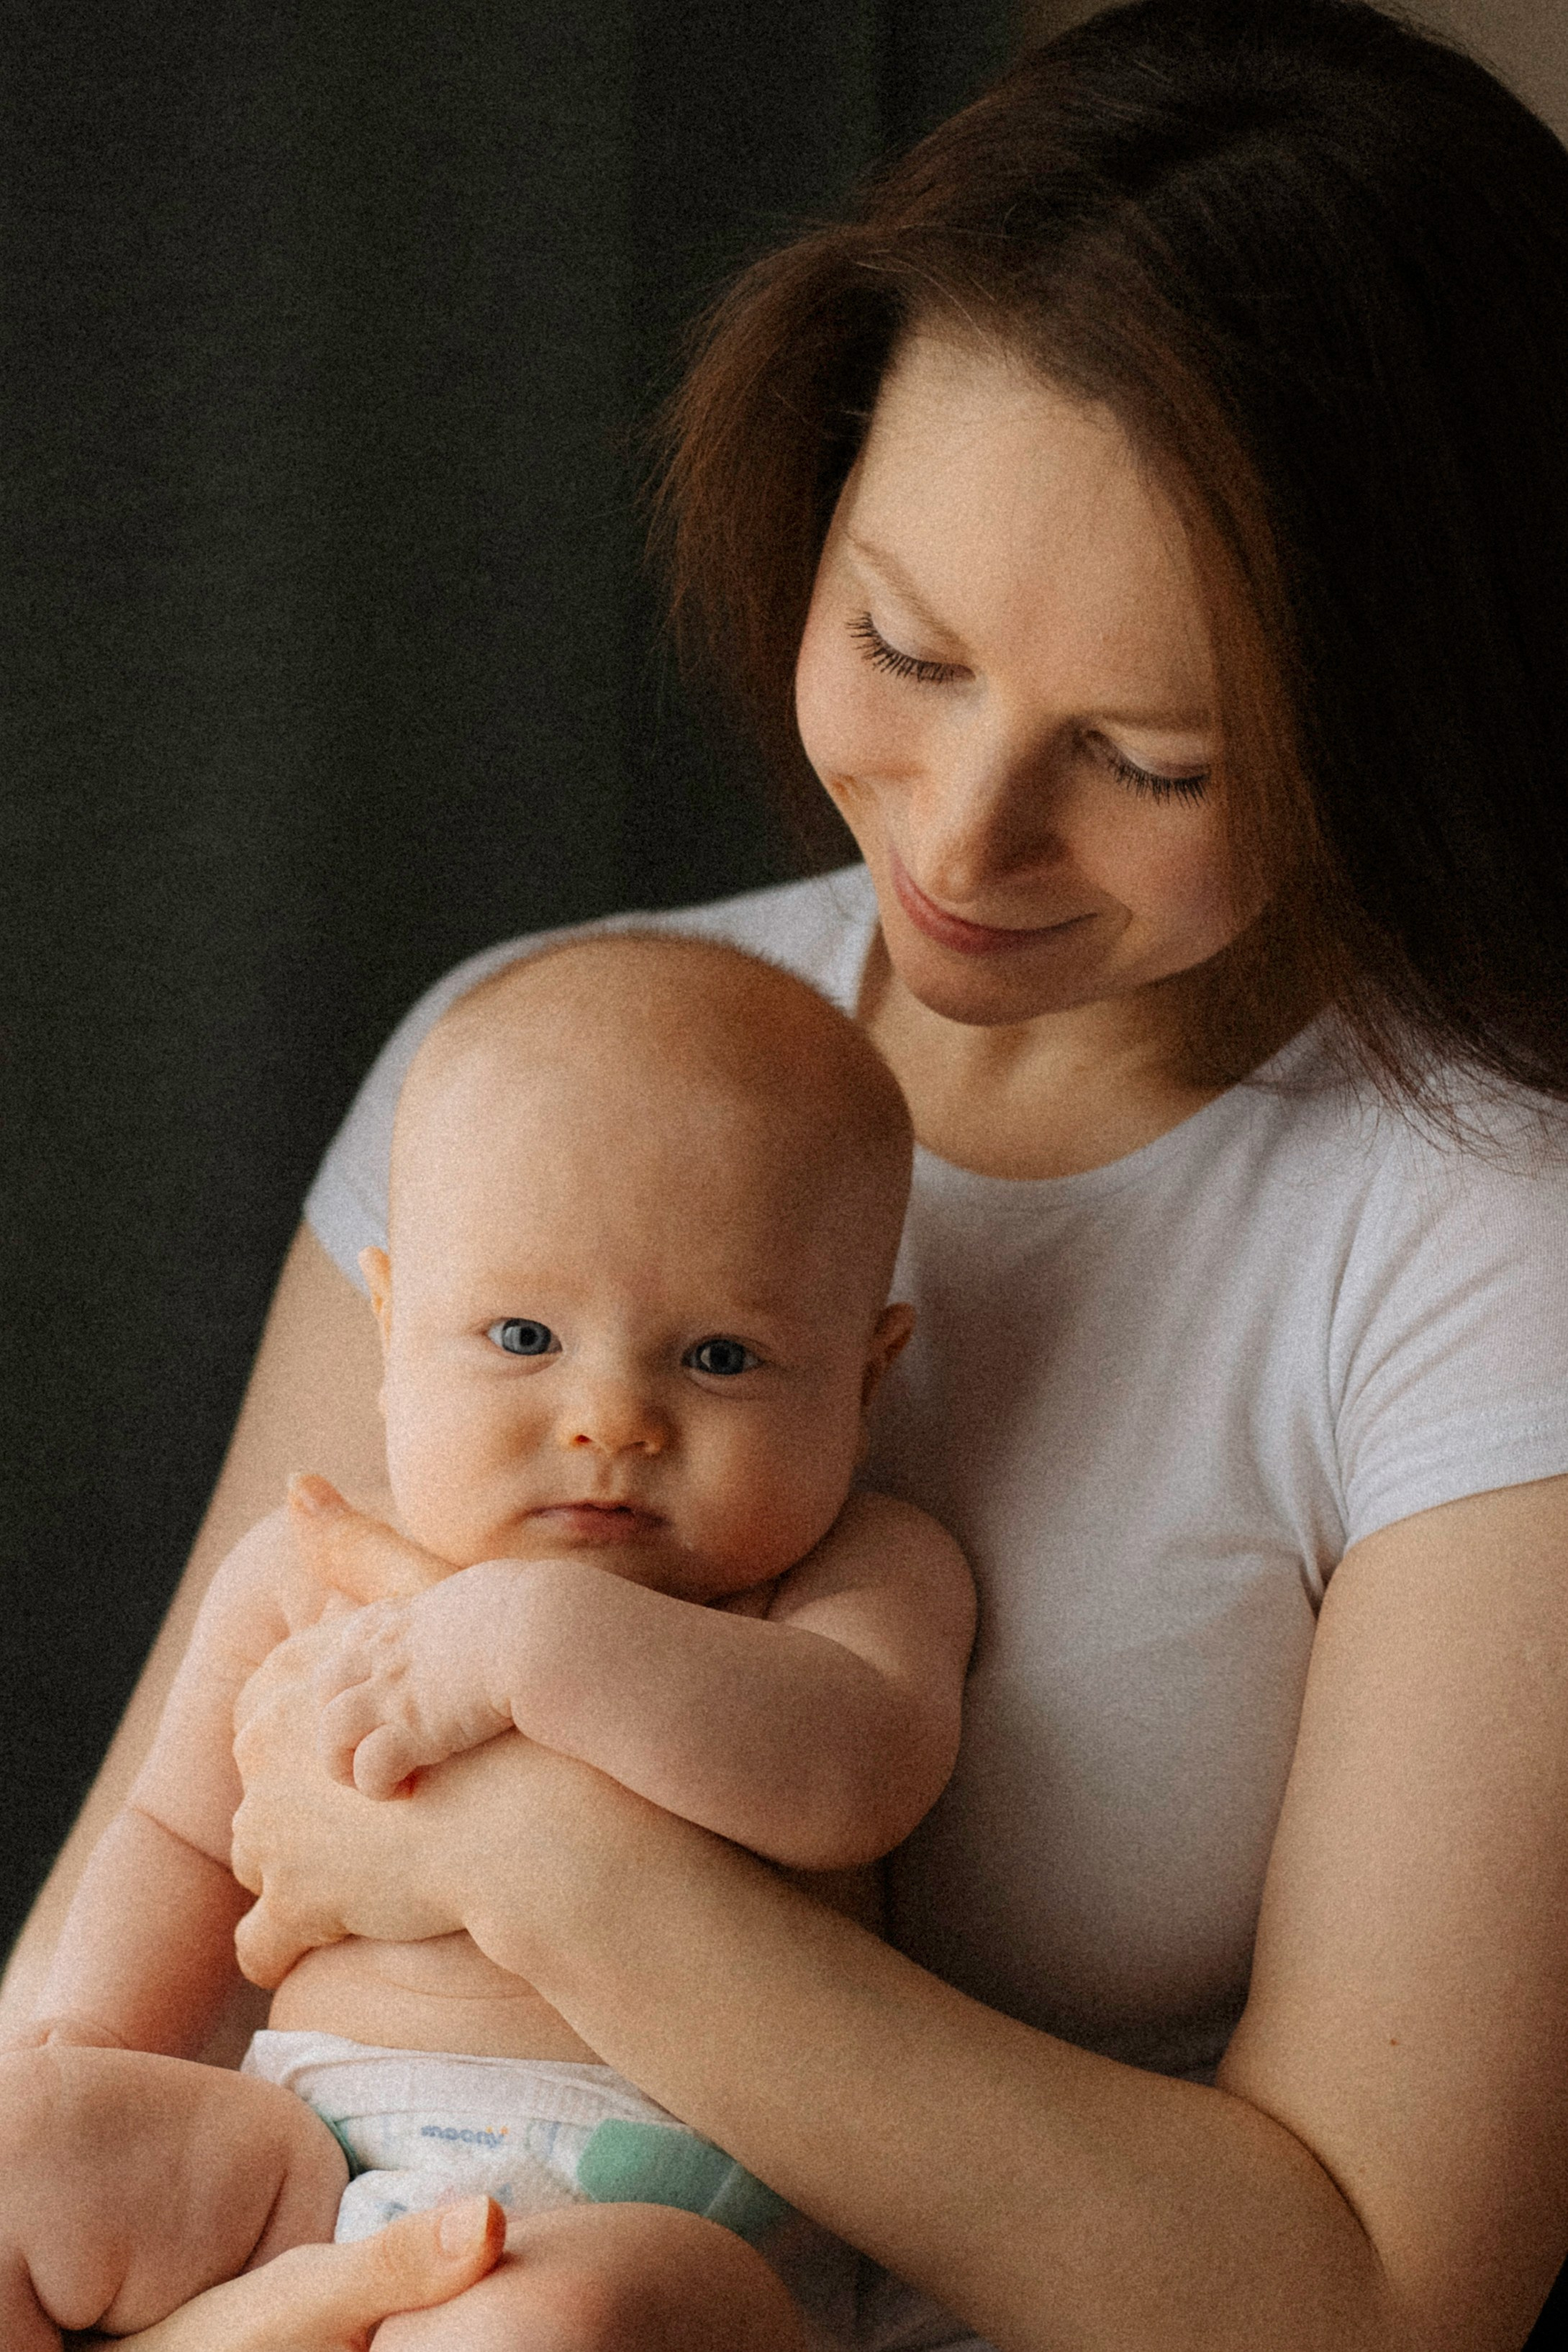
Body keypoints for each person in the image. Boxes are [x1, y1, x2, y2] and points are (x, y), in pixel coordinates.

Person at [7, 0, 1568, 2344]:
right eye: (903, 646)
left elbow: (1368, 2289)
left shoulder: (1482, 1237)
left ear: (1416, 719)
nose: (962, 833)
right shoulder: (543, 1056)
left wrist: (544, 1859)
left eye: (1150, 760)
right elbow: (90, 1997)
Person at [7, 936, 974, 2351]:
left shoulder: (850, 1577)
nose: (609, 1420)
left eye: (719, 1357)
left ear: (865, 1377)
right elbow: (178, 1837)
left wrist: (536, 1639)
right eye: (523, 1335)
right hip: (306, 2151)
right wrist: (91, 2047)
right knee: (24, 2152)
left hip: (679, 2210)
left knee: (542, 2326)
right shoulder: (303, 1572)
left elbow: (856, 1778)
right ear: (392, 1325)